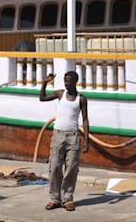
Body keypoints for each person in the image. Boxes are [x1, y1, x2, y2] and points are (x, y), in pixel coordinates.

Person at [39, 71, 89, 212]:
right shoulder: (60, 94)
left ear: (75, 82)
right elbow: (42, 98)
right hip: (58, 135)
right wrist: (44, 83)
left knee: (71, 169)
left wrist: (87, 140)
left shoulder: (82, 99)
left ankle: (67, 199)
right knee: (55, 167)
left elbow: (85, 119)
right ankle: (55, 199)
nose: (66, 83)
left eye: (69, 81)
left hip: (73, 136)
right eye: (65, 81)